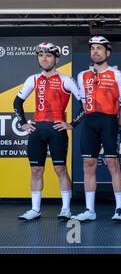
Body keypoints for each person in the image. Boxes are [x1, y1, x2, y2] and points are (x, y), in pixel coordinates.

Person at [14, 42, 85, 221]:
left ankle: (66, 209)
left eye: (48, 55)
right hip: (37, 129)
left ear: (57, 59)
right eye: (41, 55)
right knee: (36, 170)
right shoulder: (33, 79)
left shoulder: (66, 80)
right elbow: (17, 102)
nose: (44, 59)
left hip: (56, 129)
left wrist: (72, 124)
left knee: (60, 168)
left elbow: (84, 104)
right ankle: (35, 209)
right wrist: (23, 123)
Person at [71, 36, 121, 222]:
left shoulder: (116, 74)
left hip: (109, 121)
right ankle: (90, 210)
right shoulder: (82, 76)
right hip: (90, 122)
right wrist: (73, 123)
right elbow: (82, 102)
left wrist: (118, 124)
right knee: (88, 165)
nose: (95, 51)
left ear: (108, 53)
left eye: (99, 48)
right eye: (93, 48)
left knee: (113, 164)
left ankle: (119, 208)